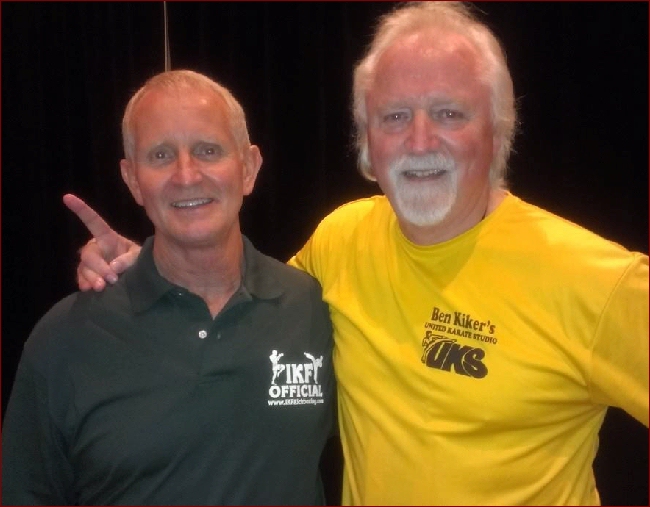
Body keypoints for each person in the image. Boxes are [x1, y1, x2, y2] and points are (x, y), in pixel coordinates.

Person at [53, 2, 650, 505]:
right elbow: (241, 305)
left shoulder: (594, 278)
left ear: (497, 132)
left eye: (449, 113)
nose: (419, 140)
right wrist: (148, 262)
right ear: (367, 143)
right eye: (394, 117)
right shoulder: (342, 240)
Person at [1, 70, 336, 505]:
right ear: (132, 180)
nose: (186, 175)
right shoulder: (65, 338)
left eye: (208, 150)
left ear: (249, 168)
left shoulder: (310, 306)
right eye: (160, 155)